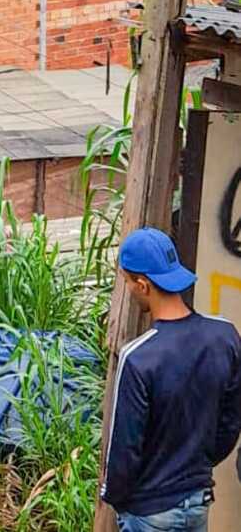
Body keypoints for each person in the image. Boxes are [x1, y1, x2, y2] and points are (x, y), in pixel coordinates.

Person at [101, 227, 241, 532]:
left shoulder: (137, 357)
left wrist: (113, 496)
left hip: (149, 513)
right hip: (197, 500)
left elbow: (123, 449)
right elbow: (231, 422)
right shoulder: (224, 335)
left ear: (142, 284)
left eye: (128, 283)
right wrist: (197, 468)